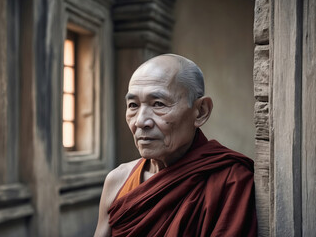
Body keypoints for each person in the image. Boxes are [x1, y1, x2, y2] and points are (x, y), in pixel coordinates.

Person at [94, 54, 257, 237]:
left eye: (158, 104)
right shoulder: (117, 181)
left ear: (201, 111)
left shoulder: (231, 181)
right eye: (133, 105)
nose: (140, 121)